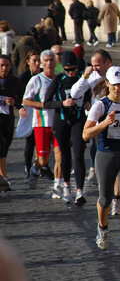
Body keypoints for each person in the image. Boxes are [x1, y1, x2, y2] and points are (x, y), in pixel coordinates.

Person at [71, 49, 120, 214]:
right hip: (100, 125)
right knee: (106, 160)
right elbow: (74, 93)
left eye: (98, 64)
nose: (95, 67)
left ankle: (116, 199)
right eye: (92, 64)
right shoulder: (91, 75)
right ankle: (105, 192)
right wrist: (85, 76)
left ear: (108, 63)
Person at [83, 66, 120, 257]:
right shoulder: (100, 106)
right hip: (105, 154)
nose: (118, 88)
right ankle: (103, 227)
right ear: (107, 84)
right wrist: (104, 123)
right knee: (105, 199)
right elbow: (86, 134)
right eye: (115, 85)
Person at [43, 51, 91, 204]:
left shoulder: (81, 78)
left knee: (78, 155)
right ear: (63, 68)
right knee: (65, 155)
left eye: (73, 69)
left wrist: (87, 102)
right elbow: (46, 102)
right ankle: (67, 186)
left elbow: (88, 93)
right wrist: (62, 104)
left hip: (78, 119)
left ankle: (80, 191)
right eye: (68, 70)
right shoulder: (58, 79)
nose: (71, 73)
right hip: (61, 120)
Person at [22, 50, 63, 194]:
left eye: (52, 60)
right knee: (43, 160)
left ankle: (58, 186)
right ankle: (35, 170)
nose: (49, 63)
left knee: (60, 155)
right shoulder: (36, 80)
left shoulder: (60, 79)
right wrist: (42, 105)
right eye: (46, 60)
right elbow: (25, 100)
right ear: (41, 62)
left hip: (58, 123)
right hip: (41, 124)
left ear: (56, 62)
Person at [18, 51, 41, 180]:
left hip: (41, 112)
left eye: (39, 60)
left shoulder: (43, 75)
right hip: (28, 111)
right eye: (34, 61)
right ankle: (28, 166)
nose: (37, 63)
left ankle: (40, 166)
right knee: (30, 141)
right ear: (28, 62)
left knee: (41, 141)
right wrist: (20, 107)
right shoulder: (24, 77)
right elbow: (17, 95)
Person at [0, 55, 22, 185]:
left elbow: (23, 99)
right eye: (2, 65)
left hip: (8, 118)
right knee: (0, 147)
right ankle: (4, 178)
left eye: (7, 65)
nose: (4, 68)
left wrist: (15, 102)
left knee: (6, 145)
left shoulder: (15, 81)